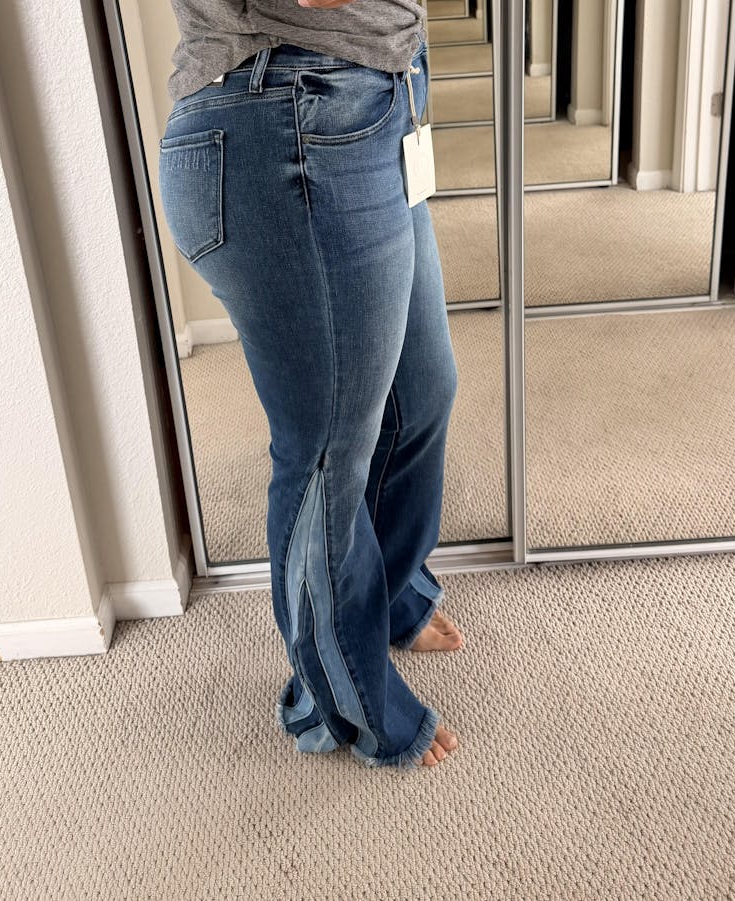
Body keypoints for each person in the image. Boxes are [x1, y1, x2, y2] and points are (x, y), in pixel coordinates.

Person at [158, 0, 464, 769]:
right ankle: (343, 698)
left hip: (376, 104)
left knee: (421, 393)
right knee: (326, 453)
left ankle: (386, 601)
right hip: (290, 116)